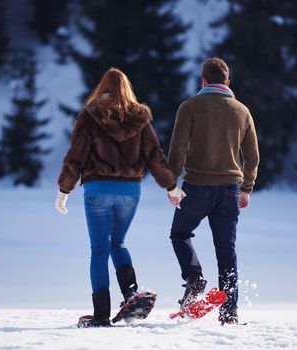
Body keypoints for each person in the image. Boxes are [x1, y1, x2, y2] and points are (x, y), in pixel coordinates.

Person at [55, 68, 181, 327]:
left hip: (98, 190)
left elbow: (76, 155)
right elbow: (154, 155)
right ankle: (131, 294)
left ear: (102, 88)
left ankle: (101, 315)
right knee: (118, 243)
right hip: (129, 192)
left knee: (99, 251)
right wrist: (171, 186)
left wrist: (64, 190)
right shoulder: (141, 117)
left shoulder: (90, 115)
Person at [166, 57, 260, 325]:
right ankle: (229, 314)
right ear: (227, 82)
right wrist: (247, 188)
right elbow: (252, 157)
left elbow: (177, 150)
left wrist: (171, 184)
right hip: (230, 191)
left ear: (203, 80)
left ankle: (194, 278)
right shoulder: (241, 111)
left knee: (180, 233)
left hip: (196, 188)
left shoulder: (190, 107)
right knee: (226, 252)